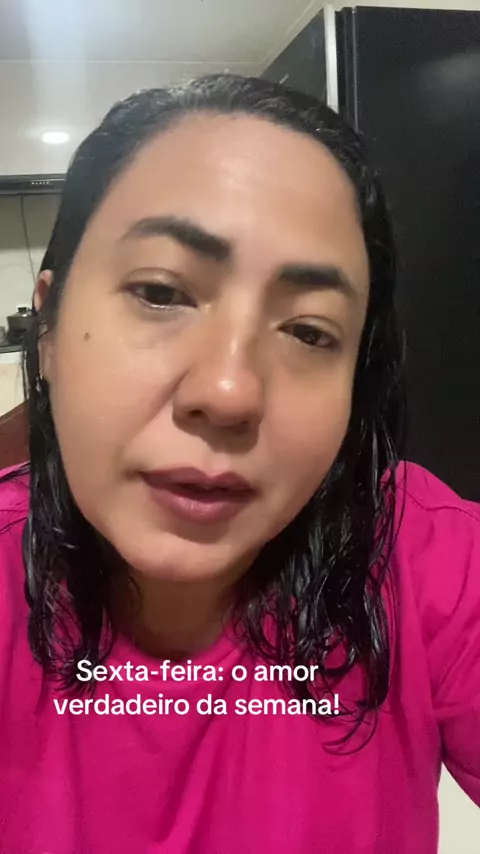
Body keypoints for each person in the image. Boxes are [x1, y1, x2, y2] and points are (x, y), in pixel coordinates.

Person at [0, 74, 478, 854]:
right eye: (161, 292)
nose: (228, 392)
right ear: (47, 328)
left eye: (310, 332)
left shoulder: (430, 562)